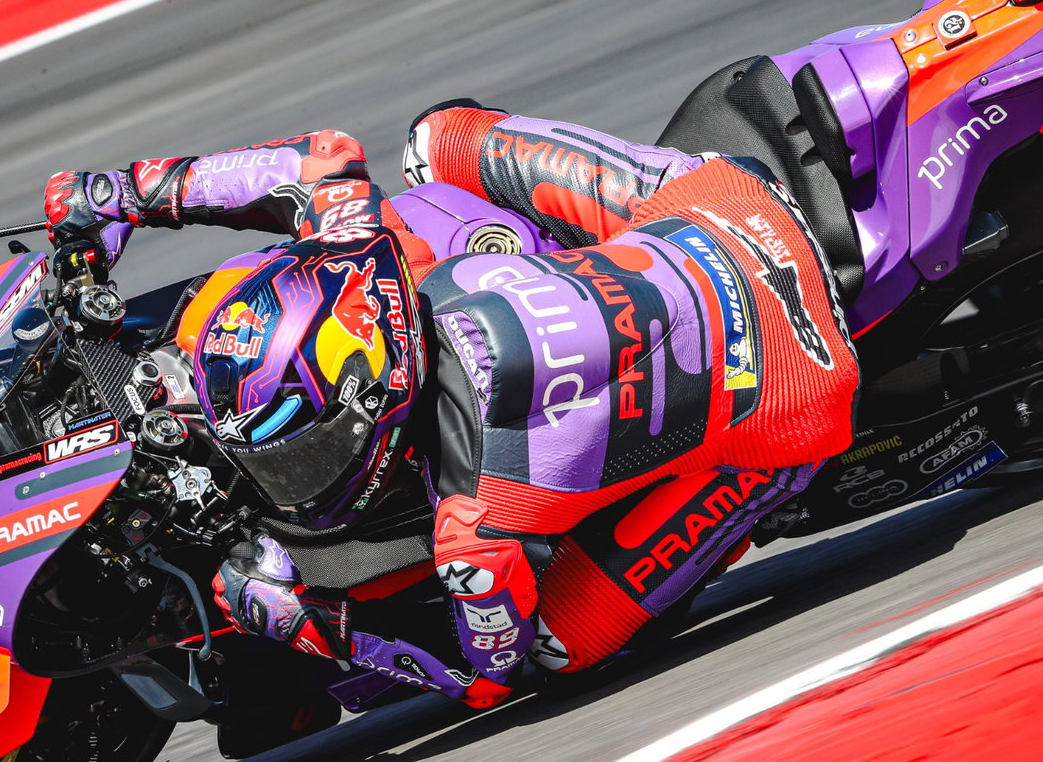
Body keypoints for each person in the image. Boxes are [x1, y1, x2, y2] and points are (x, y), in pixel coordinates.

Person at [43, 101, 860, 709]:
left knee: (553, 649)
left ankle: (772, 485)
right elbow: (322, 157)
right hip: (716, 204)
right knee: (435, 144)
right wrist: (117, 196)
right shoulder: (361, 259)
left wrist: (305, 620)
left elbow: (480, 672)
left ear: (361, 422)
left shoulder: (470, 531)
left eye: (289, 444)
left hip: (797, 388)